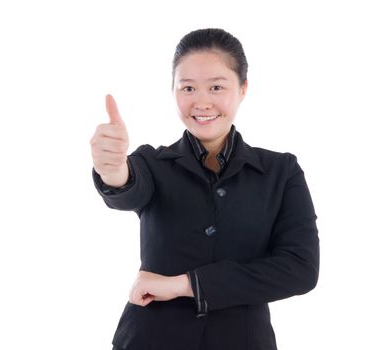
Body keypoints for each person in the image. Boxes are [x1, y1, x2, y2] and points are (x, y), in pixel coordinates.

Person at [90, 28, 319, 350]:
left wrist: (186, 285)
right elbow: (129, 188)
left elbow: (300, 270)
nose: (201, 102)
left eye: (216, 87)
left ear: (243, 89)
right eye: (187, 88)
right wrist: (112, 170)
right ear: (173, 92)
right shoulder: (152, 162)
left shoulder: (280, 171)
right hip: (149, 340)